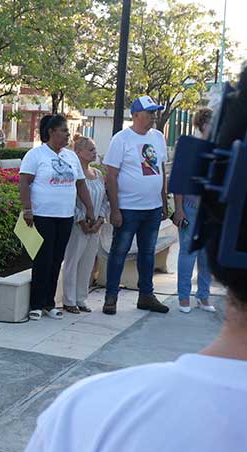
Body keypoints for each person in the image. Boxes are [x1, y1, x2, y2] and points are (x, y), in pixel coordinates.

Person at [0, 69, 247, 452]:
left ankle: (94, 297)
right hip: (76, 217)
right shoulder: (75, 150)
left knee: (105, 261)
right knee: (70, 264)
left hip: (85, 216)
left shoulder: (92, 423)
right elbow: (97, 178)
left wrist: (92, 207)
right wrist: (101, 209)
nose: (149, 117)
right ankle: (67, 302)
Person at [19, 114, 94, 321]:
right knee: (42, 260)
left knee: (56, 260)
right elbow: (24, 182)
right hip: (43, 215)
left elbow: (80, 184)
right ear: (51, 132)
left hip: (65, 216)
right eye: (64, 131)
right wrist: (27, 208)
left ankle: (49, 303)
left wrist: (89, 208)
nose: (68, 135)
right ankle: (36, 304)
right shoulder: (36, 155)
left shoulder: (71, 157)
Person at [101, 95, 170, 315]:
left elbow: (161, 170)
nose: (153, 117)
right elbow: (111, 176)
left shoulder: (158, 137)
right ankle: (111, 297)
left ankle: (146, 295)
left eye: (154, 112)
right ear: (136, 115)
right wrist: (115, 208)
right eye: (150, 113)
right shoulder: (121, 139)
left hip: (153, 208)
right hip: (128, 209)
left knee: (147, 253)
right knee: (119, 252)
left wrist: (163, 200)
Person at [173, 107, 216, 314]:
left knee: (207, 255)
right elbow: (179, 181)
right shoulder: (190, 148)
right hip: (191, 207)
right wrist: (178, 208)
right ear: (202, 124)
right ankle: (183, 297)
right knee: (188, 252)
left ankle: (204, 296)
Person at [61, 135, 109, 313]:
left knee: (88, 263)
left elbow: (105, 200)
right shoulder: (73, 174)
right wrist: (81, 220)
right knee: (73, 262)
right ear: (78, 152)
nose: (94, 152)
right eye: (90, 149)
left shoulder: (97, 174)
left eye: (95, 149)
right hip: (78, 226)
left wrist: (100, 220)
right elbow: (70, 200)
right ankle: (69, 300)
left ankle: (81, 298)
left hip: (95, 227)